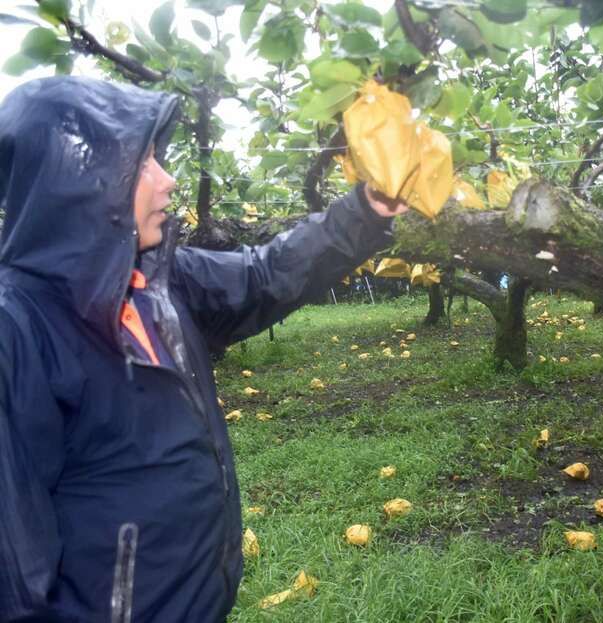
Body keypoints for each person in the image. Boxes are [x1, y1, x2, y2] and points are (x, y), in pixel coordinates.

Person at [0, 76, 406, 622]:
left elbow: (265, 276)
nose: (168, 181)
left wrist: (367, 209)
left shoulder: (159, 279)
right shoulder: (17, 331)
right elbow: (15, 578)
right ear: (81, 181)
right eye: (143, 164)